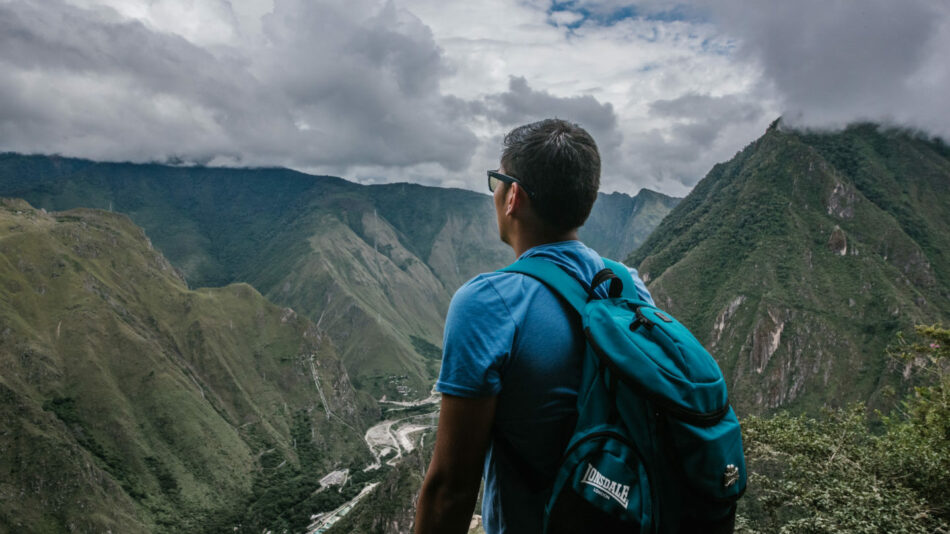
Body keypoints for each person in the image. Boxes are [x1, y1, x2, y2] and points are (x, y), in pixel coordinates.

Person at [413, 119, 654, 534]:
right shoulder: (628, 286)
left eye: (497, 182)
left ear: (513, 197)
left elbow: (451, 486)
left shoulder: (487, 303)